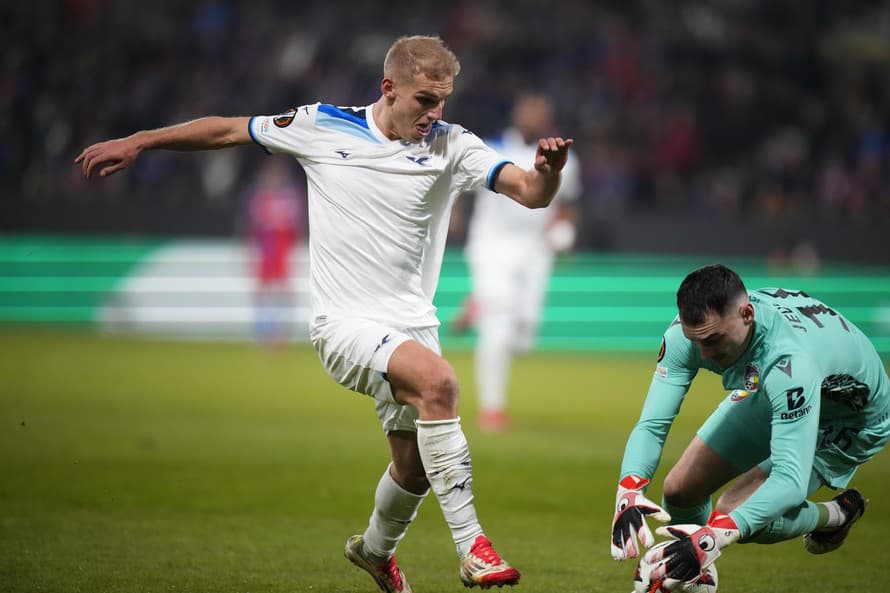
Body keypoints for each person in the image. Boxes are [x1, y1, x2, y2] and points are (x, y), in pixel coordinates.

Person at [76, 35, 573, 592]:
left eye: (443, 101)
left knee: (414, 469)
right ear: (388, 88)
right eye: (424, 100)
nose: (435, 114)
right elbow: (228, 129)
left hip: (413, 327)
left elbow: (531, 193)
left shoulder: (453, 145)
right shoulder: (322, 124)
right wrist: (142, 141)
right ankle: (473, 547)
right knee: (441, 385)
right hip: (343, 324)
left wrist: (548, 171)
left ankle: (375, 551)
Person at [610, 264, 889, 590]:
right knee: (680, 490)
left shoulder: (789, 361)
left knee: (735, 513)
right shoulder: (690, 334)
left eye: (713, 340)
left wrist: (710, 538)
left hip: (850, 417)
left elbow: (790, 480)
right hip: (772, 386)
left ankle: (836, 515)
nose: (704, 354)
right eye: (695, 340)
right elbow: (653, 424)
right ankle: (698, 579)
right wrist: (628, 490)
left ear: (747, 314)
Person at [457, 93, 582, 432]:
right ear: (516, 117)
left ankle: (478, 306)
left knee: (523, 336)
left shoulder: (562, 157)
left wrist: (565, 231)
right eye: (526, 114)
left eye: (538, 115)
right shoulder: (491, 147)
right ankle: (492, 408)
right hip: (492, 246)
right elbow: (460, 187)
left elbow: (567, 203)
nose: (531, 120)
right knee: (498, 323)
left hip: (535, 251)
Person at [242, 158, 306, 348]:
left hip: (282, 246)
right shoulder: (258, 196)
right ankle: (264, 333)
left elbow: (295, 223)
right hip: (265, 246)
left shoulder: (290, 196)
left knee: (282, 291)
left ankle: (281, 333)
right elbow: (252, 223)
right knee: (263, 292)